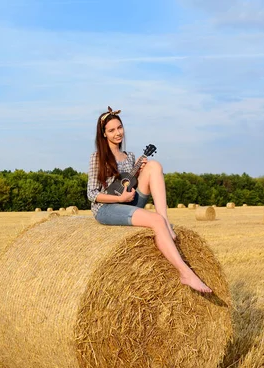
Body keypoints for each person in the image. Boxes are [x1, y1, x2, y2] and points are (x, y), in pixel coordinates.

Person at [87, 106, 212, 293]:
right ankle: (184, 272)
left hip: (128, 202)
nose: (117, 133)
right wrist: (119, 197)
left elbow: (130, 184)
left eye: (119, 128)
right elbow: (91, 194)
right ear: (103, 134)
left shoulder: (129, 156)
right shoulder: (97, 158)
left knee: (154, 165)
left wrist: (140, 169)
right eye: (111, 130)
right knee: (154, 221)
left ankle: (166, 222)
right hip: (107, 208)